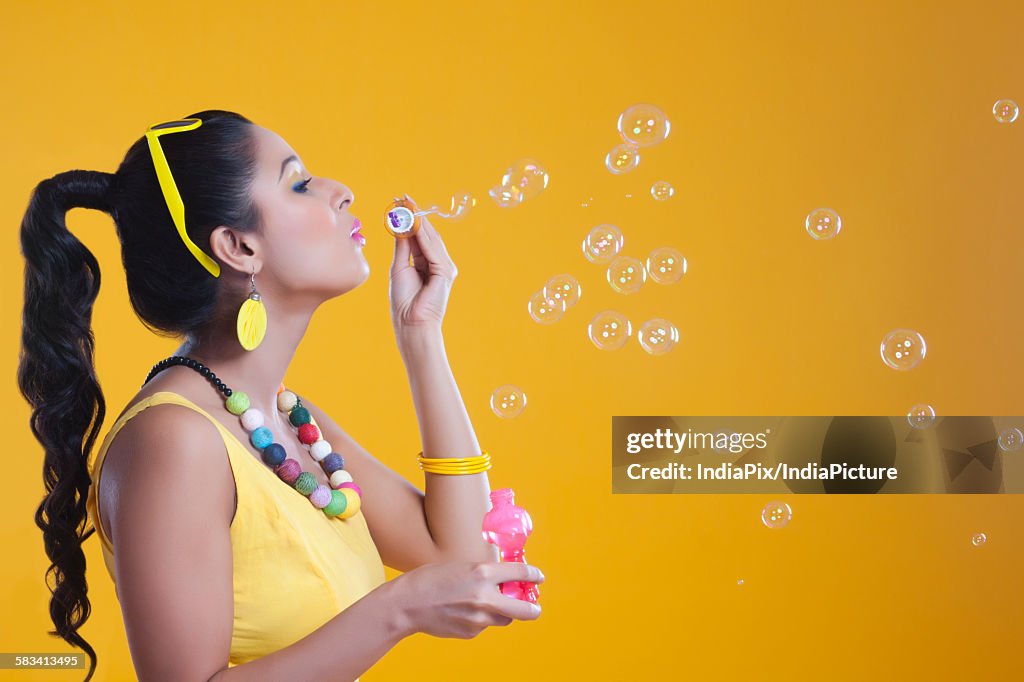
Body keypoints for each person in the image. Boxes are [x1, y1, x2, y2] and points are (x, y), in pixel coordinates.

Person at [16, 109, 544, 682]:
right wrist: (402, 607)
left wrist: (421, 335)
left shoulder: (290, 421)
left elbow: (461, 555)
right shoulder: (175, 440)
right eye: (298, 182)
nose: (341, 192)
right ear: (239, 247)